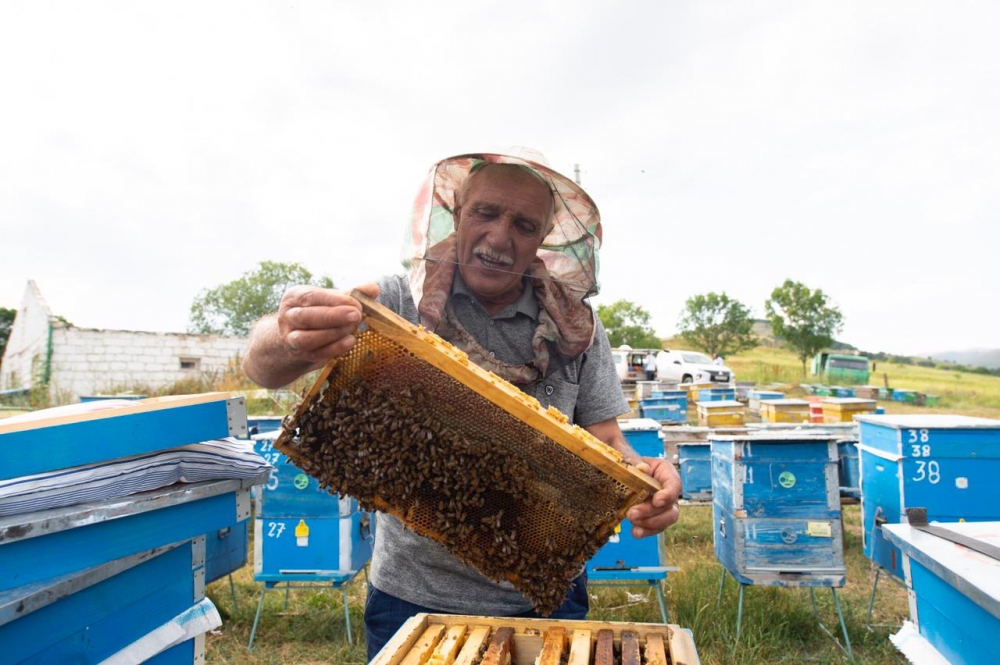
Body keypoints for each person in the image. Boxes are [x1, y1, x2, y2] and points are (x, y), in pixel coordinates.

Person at [241, 150, 683, 661]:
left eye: (523, 224)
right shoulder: (397, 300)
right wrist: (286, 334)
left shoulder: (577, 329)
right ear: (456, 213)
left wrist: (647, 478)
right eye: (486, 213)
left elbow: (606, 440)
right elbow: (262, 366)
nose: (500, 238)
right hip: (413, 599)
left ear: (544, 237)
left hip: (548, 598)